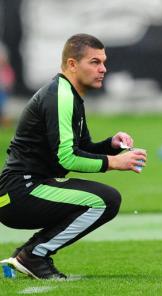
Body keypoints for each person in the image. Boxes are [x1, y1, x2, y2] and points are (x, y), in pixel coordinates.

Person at [0, 34, 147, 280]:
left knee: (105, 199)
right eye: (94, 62)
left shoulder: (69, 94)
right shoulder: (61, 96)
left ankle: (30, 254)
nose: (103, 69)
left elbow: (83, 146)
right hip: (19, 192)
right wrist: (114, 163)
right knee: (106, 200)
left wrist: (111, 145)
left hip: (27, 188)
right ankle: (34, 256)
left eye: (103, 62)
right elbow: (68, 158)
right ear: (72, 64)